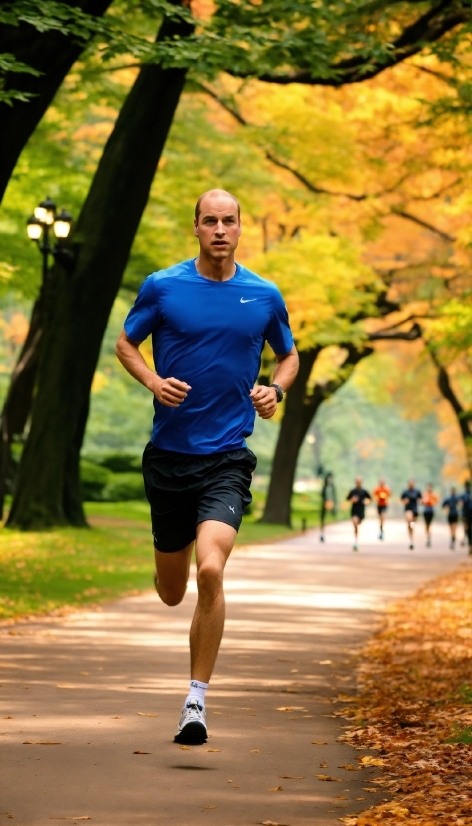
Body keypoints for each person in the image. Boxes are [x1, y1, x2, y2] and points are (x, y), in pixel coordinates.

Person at [115, 189, 298, 746]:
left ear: (241, 229)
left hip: (227, 456)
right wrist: (152, 381)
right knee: (173, 590)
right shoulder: (164, 287)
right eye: (210, 221)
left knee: (211, 569)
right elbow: (126, 342)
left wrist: (276, 390)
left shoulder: (263, 295)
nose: (220, 229)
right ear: (196, 227)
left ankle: (195, 700)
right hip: (169, 457)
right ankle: (166, 564)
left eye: (229, 221)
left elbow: (288, 355)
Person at [346, 477, 371, 552]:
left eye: (359, 482)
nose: (358, 483)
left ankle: (356, 538)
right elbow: (347, 498)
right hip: (354, 511)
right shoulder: (352, 491)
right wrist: (352, 500)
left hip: (361, 511)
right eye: (357, 482)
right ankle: (356, 541)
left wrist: (366, 502)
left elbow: (370, 499)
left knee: (358, 523)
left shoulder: (364, 491)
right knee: (355, 523)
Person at [400, 480, 422, 550]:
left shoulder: (417, 492)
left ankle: (411, 540)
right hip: (408, 509)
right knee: (409, 520)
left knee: (412, 525)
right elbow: (401, 500)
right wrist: (404, 501)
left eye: (412, 483)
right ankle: (411, 540)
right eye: (409, 483)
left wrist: (420, 501)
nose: (411, 484)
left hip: (415, 510)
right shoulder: (405, 492)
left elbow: (421, 499)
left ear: (414, 484)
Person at [320, 472, 336, 542]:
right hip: (325, 503)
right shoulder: (324, 487)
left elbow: (334, 496)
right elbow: (322, 495)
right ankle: (322, 533)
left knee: (332, 518)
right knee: (323, 519)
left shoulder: (332, 487)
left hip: (331, 504)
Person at [422, 483, 438, 548]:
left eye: (430, 487)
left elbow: (436, 501)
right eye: (428, 487)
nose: (429, 488)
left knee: (429, 524)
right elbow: (422, 501)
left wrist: (431, 501)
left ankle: (429, 537)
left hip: (431, 511)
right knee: (426, 525)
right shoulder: (424, 494)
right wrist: (424, 501)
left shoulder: (434, 495)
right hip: (426, 511)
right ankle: (428, 537)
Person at [459, 480, 472, 553]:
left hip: (467, 515)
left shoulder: (463, 495)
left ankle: (469, 545)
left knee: (467, 529)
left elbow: (460, 503)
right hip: (468, 514)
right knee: (468, 530)